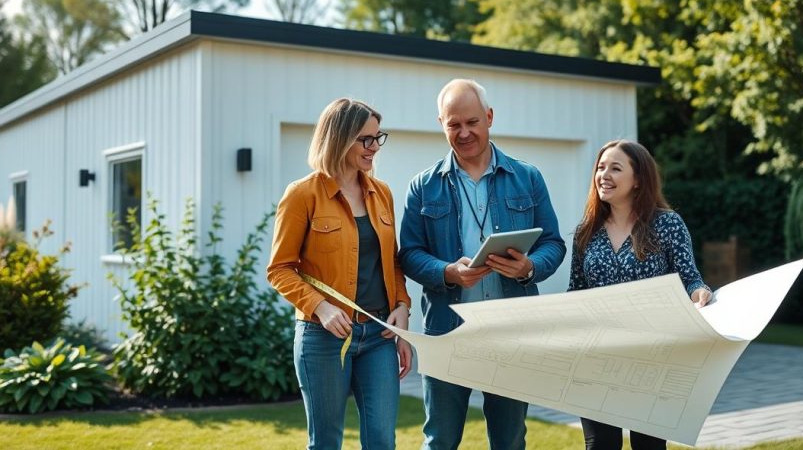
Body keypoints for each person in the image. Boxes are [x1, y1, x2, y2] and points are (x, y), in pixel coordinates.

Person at [400, 79, 567, 450]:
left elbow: (553, 244)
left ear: (489, 117)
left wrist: (529, 268)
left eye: (472, 122)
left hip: (512, 332)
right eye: (453, 124)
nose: (464, 133)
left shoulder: (528, 177)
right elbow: (409, 254)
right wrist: (447, 271)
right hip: (447, 332)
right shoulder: (423, 186)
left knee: (509, 441)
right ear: (441, 124)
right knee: (440, 441)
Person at [266, 98, 412, 450]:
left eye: (378, 137)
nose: (374, 147)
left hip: (379, 334)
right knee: (326, 442)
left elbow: (391, 262)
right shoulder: (302, 195)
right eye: (366, 139)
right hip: (323, 338)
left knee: (381, 441)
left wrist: (403, 309)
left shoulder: (383, 194)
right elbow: (279, 269)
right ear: (340, 138)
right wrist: (321, 307)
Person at [568, 139, 712, 450]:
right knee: (600, 446)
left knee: (648, 446)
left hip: (651, 358)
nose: (603, 175)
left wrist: (700, 293)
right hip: (597, 359)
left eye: (615, 168)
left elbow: (690, 279)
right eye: (600, 167)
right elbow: (576, 292)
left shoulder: (667, 224)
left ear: (638, 180)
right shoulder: (586, 231)